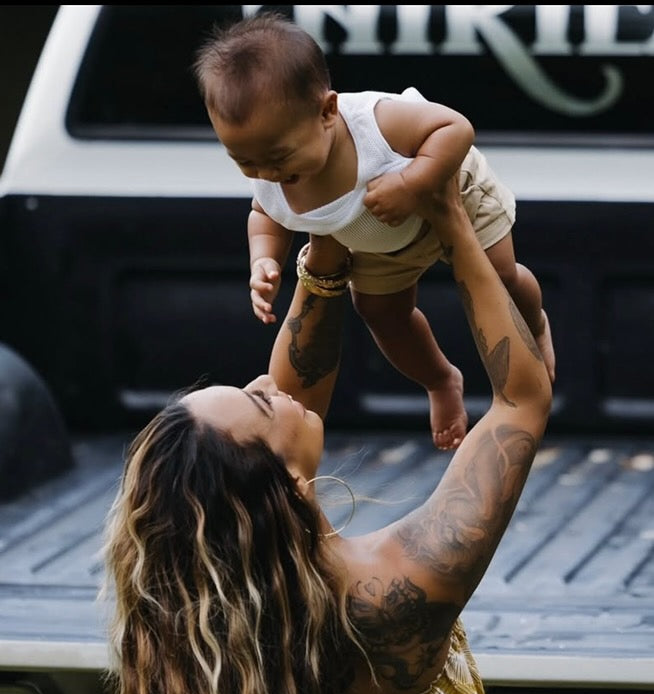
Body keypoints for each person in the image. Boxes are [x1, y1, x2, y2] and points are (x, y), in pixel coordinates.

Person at [102, 175, 552, 694]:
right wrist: (453, 219)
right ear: (278, 488)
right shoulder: (392, 593)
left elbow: (295, 399)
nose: (273, 384)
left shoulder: (202, 624)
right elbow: (523, 397)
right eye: (257, 400)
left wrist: (330, 237)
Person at [192, 10, 555, 452]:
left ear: (327, 111)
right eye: (243, 161)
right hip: (379, 237)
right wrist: (264, 259)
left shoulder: (374, 123)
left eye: (278, 156)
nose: (266, 172)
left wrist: (413, 181)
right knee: (381, 314)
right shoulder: (269, 171)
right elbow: (264, 214)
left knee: (501, 277)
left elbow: (455, 128)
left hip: (451, 191)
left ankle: (534, 326)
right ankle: (440, 380)